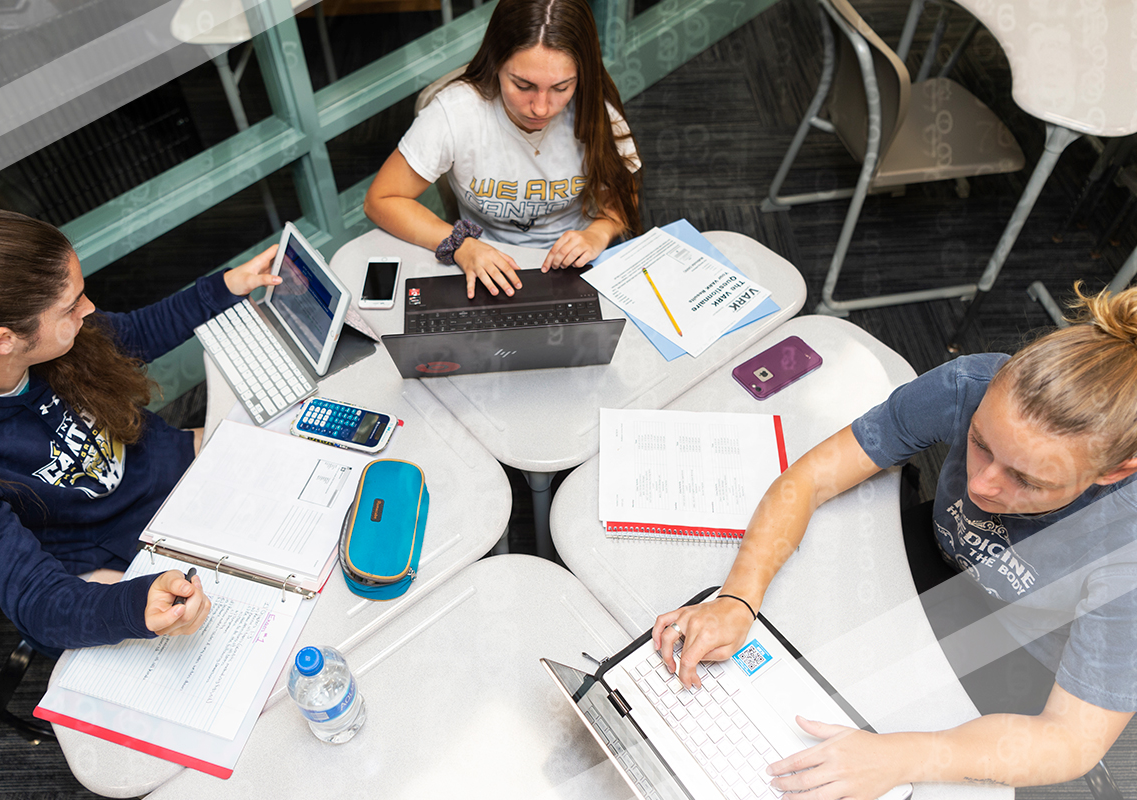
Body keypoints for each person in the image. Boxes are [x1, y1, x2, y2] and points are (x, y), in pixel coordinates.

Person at [652, 283, 1137, 795]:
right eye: (978, 443)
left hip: (1024, 649)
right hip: (932, 560)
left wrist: (904, 757)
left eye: (1027, 480)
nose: (980, 485)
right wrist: (737, 596)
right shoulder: (974, 384)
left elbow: (1071, 742)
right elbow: (812, 477)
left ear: (1114, 473)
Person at [0, 207, 281, 653]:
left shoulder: (61, 334)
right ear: (5, 341)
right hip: (114, 550)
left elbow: (133, 333)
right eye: (72, 305)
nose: (89, 308)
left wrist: (223, 288)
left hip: (161, 462)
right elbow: (38, 601)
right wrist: (132, 604)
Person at [363, 0, 642, 300]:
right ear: (496, 62)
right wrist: (459, 244)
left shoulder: (596, 109)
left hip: (577, 266)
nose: (541, 108)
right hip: (489, 265)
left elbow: (624, 196)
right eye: (523, 85)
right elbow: (381, 200)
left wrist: (598, 233)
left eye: (561, 88)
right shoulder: (456, 112)